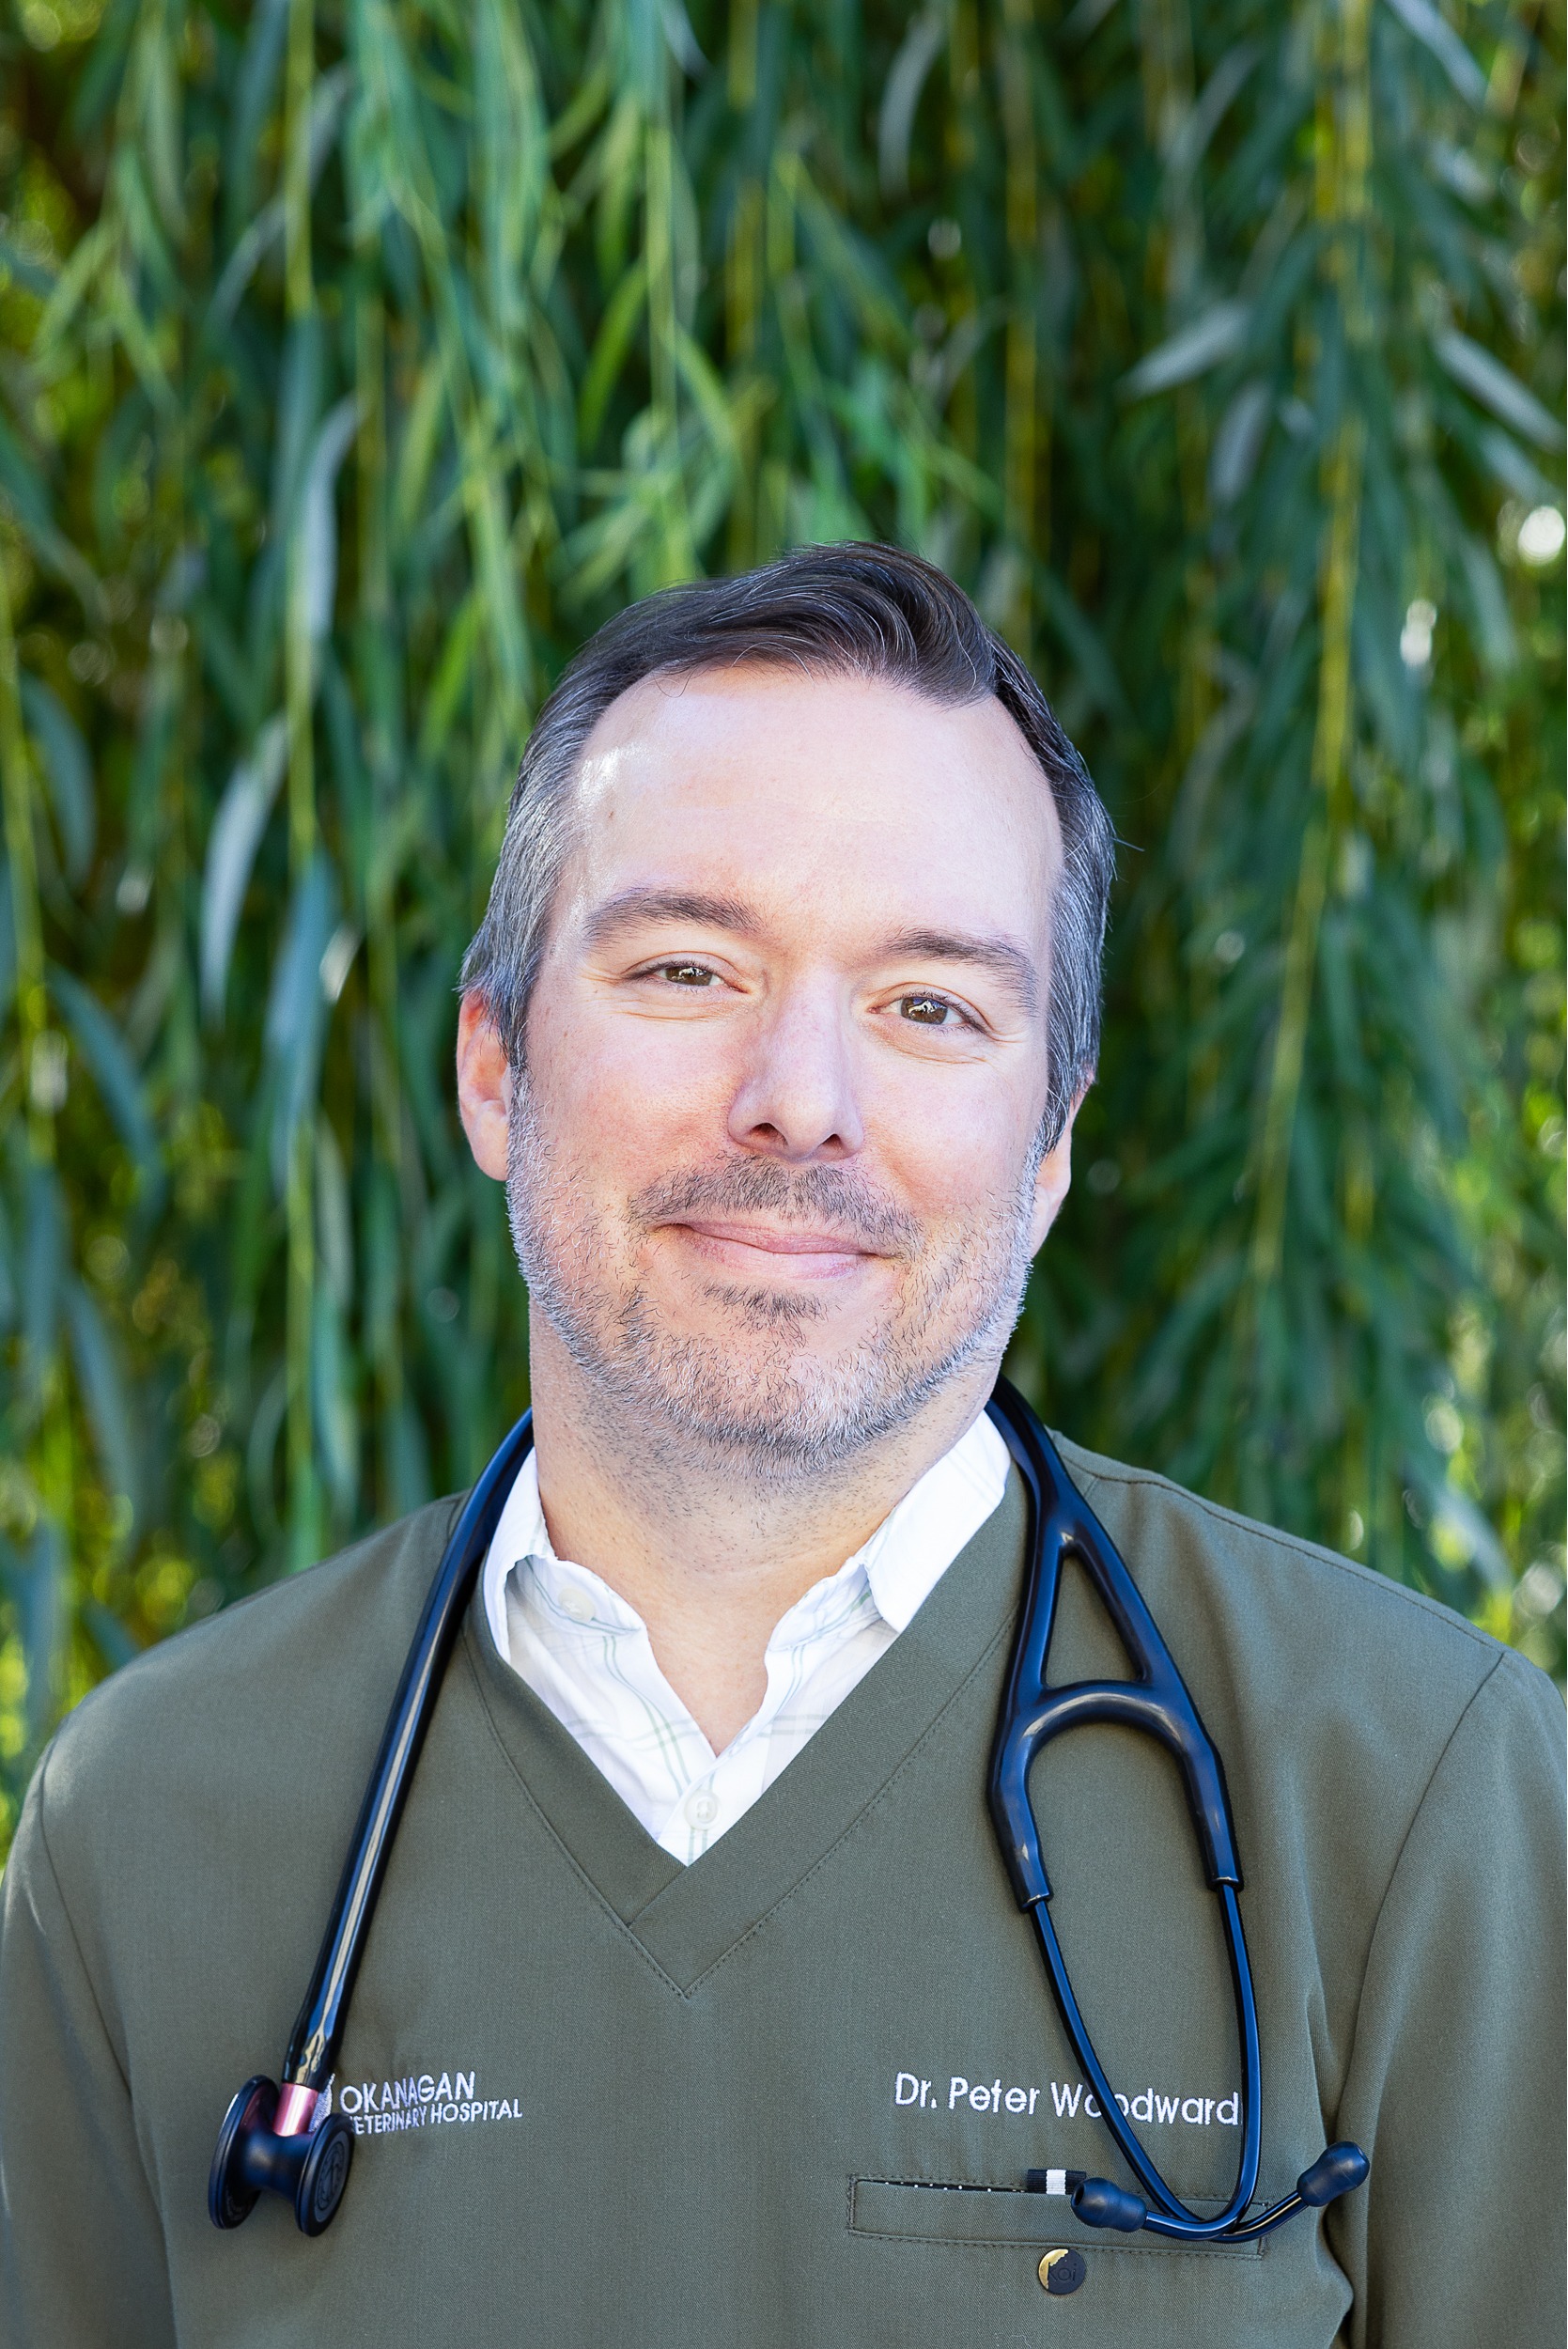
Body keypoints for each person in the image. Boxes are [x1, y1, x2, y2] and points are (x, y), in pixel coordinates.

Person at [0, 544, 1560, 2348]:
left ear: (1049, 1142)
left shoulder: (1419, 1800)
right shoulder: (154, 1831)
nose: (800, 1101)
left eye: (930, 1008)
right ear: (495, 1068)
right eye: (686, 968)